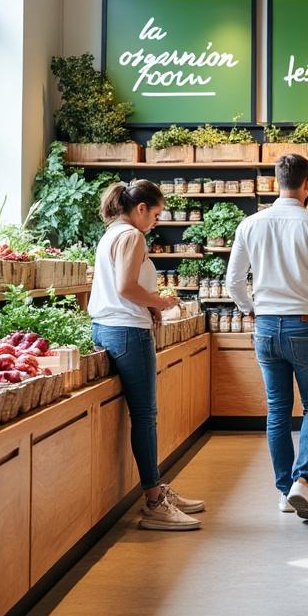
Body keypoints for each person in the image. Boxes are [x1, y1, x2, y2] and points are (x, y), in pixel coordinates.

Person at [225, 154, 308, 521]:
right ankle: (303, 482)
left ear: (276, 181)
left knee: (278, 409)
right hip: (304, 326)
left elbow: (233, 282)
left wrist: (250, 309)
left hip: (265, 328)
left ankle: (284, 491)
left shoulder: (250, 224)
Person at [89, 179, 207, 531]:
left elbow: (118, 287)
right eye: (155, 214)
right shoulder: (132, 236)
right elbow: (126, 287)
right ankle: (154, 501)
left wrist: (149, 308)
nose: (156, 221)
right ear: (140, 208)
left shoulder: (112, 233)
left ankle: (157, 489)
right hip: (127, 332)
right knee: (145, 417)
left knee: (143, 416)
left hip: (110, 327)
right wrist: (162, 302)